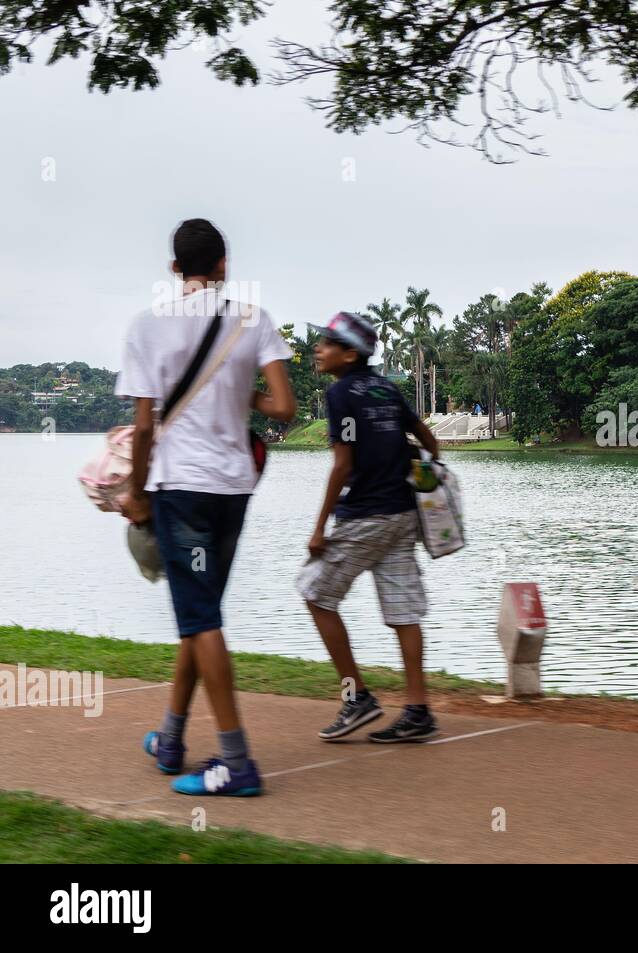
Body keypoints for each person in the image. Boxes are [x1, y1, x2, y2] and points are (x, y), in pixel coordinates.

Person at [117, 218, 296, 796]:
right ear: (224, 265)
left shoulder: (146, 326)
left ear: (174, 269)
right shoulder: (255, 319)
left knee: (200, 619)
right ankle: (170, 739)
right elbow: (286, 407)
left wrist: (137, 493)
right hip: (234, 489)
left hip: (181, 491)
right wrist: (240, 390)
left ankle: (236, 763)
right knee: (202, 616)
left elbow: (145, 426)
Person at [296, 312, 443, 743]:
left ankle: (356, 696)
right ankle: (417, 710)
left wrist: (320, 527)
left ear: (349, 354)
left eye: (326, 344)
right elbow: (429, 442)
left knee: (315, 594)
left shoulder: (340, 394)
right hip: (403, 516)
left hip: (365, 517)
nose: (318, 350)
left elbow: (342, 464)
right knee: (405, 613)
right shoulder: (387, 388)